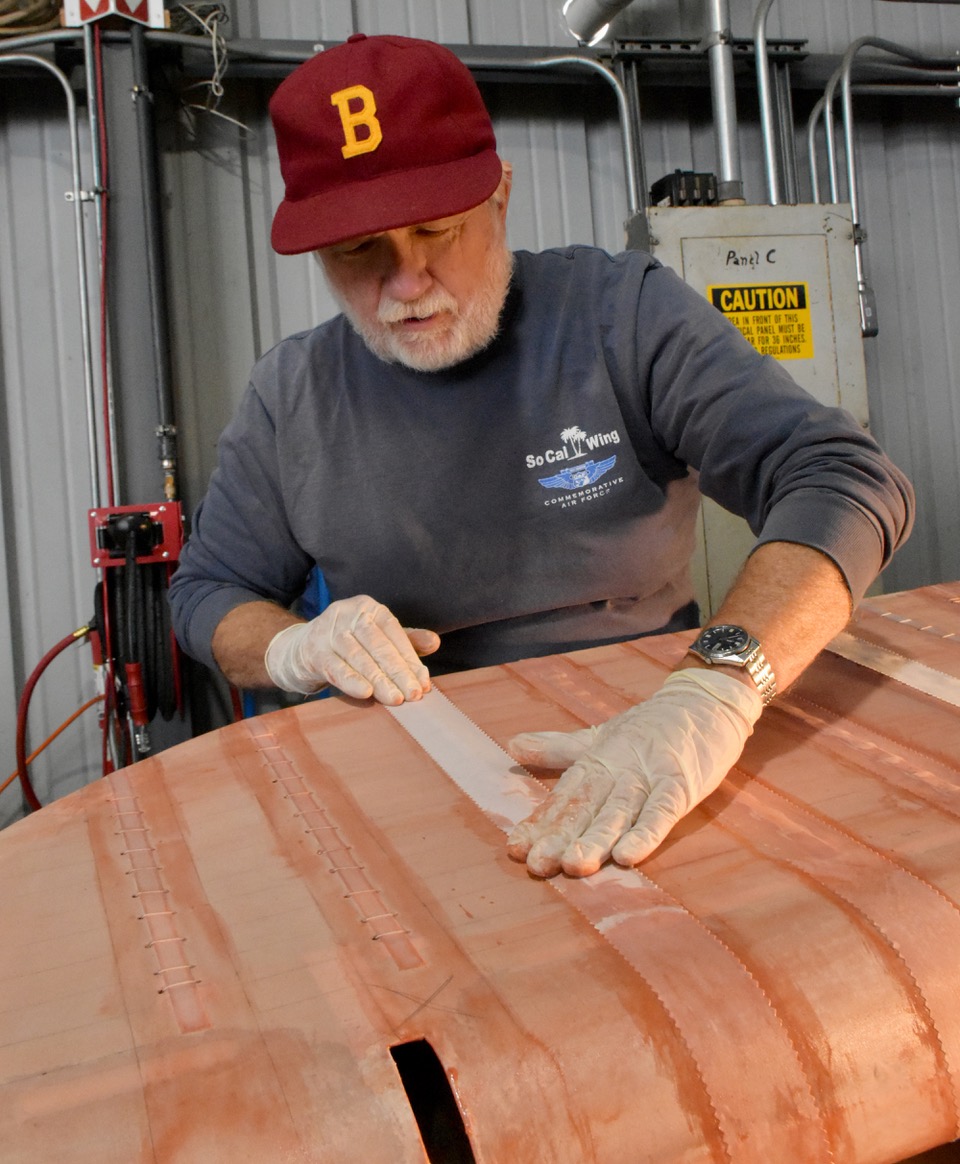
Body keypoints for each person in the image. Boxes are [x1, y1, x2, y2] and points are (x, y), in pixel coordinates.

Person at [168, 32, 914, 881]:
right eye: (357, 249)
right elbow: (207, 592)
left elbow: (844, 478)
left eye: (436, 230)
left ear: (499, 196)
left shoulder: (621, 315)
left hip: (648, 734)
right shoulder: (291, 394)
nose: (406, 282)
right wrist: (293, 647)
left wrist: (714, 692)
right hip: (415, 767)